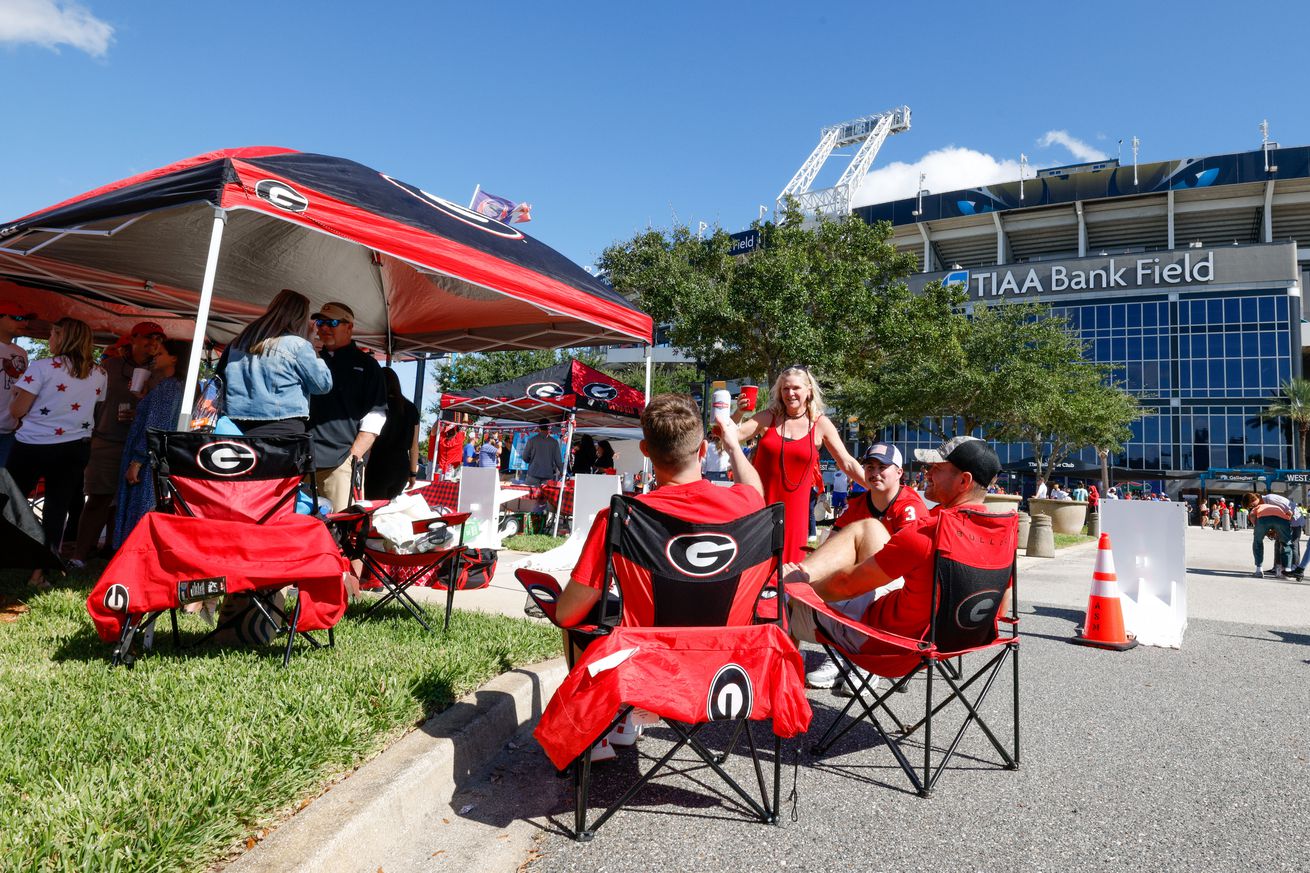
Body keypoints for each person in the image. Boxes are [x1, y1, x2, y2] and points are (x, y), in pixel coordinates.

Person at [783, 436, 1005, 667]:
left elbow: (846, 585)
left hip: (883, 644)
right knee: (870, 527)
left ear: (964, 481)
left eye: (937, 469)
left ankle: (779, 674)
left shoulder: (926, 532)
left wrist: (802, 588)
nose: (926, 474)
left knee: (782, 600)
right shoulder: (1000, 535)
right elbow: (1000, 610)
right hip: (949, 642)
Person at [556, 393, 765, 627]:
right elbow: (755, 490)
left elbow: (567, 614)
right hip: (731, 656)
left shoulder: (620, 517)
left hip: (647, 656)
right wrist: (733, 446)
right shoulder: (748, 506)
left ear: (645, 449)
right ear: (703, 450)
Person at [806, 442, 928, 690]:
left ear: (899, 472)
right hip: (864, 583)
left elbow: (913, 564)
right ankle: (842, 654)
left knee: (860, 570)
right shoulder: (858, 504)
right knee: (814, 584)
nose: (875, 473)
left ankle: (866, 659)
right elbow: (831, 548)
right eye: (870, 466)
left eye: (883, 467)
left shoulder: (910, 506)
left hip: (902, 589)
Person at [7, 317, 107, 588]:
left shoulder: (41, 367)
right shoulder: (99, 372)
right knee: (56, 509)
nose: (49, 340)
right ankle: (38, 574)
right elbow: (94, 407)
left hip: (33, 445)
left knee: (9, 502)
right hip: (75, 448)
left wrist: (18, 395)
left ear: (63, 337)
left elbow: (17, 411)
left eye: (52, 334)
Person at [736, 366, 864, 564]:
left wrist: (878, 488)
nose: (790, 393)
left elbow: (847, 462)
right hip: (760, 507)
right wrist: (738, 413)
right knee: (754, 569)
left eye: (796, 388)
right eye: (785, 389)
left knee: (788, 573)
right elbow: (729, 438)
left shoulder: (820, 424)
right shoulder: (768, 417)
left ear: (809, 390)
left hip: (795, 514)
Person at [70, 320, 164, 566]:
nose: (154, 343)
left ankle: (111, 551)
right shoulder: (109, 367)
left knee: (124, 501)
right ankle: (79, 555)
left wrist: (140, 411)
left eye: (159, 339)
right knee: (99, 499)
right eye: (148, 337)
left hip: (139, 448)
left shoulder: (161, 372)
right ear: (133, 339)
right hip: (107, 441)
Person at [308, 302, 387, 513]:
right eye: (320, 322)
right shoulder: (311, 361)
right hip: (303, 461)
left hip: (339, 462)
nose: (324, 328)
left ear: (349, 327)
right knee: (297, 526)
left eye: (332, 322)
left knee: (337, 528)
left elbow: (376, 414)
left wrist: (353, 456)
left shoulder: (367, 366)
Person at [221, 288, 333, 437]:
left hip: (235, 423)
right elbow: (322, 384)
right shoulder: (297, 345)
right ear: (300, 316)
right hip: (281, 425)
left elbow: (220, 379)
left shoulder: (238, 342)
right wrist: (311, 343)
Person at [113, 339, 192, 547]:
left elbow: (156, 425)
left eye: (160, 354)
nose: (154, 358)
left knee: (142, 509)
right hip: (159, 456)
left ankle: (134, 554)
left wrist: (137, 461)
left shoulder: (168, 387)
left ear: (174, 358)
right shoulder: (177, 386)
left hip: (149, 460)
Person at [364, 367, 420, 500]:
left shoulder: (377, 405)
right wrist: (412, 474)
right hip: (401, 467)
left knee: (374, 510)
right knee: (390, 512)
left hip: (379, 464)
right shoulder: (411, 408)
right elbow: (414, 446)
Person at [0, 301, 36, 468]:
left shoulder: (21, 352)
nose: (24, 323)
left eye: (25, 319)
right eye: (17, 317)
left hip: (9, 430)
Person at [1246, 492, 1293, 578]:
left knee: (1258, 542)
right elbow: (1289, 514)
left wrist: (1259, 527)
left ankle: (1259, 570)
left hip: (1263, 519)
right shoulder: (1276, 505)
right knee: (1286, 543)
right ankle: (1287, 571)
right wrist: (1282, 529)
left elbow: (1252, 516)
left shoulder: (1258, 507)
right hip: (1282, 519)